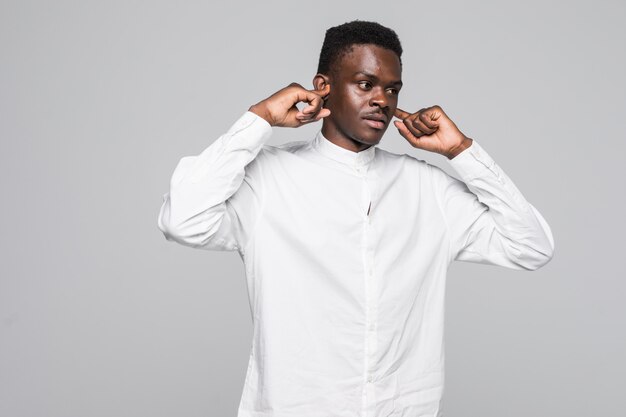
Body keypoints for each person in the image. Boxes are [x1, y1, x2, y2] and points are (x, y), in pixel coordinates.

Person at [157, 20, 554, 417]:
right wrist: (259, 119)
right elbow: (184, 219)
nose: (382, 99)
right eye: (365, 84)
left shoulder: (426, 189)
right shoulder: (269, 180)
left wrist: (462, 151)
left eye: (392, 89)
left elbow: (532, 247)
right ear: (323, 86)